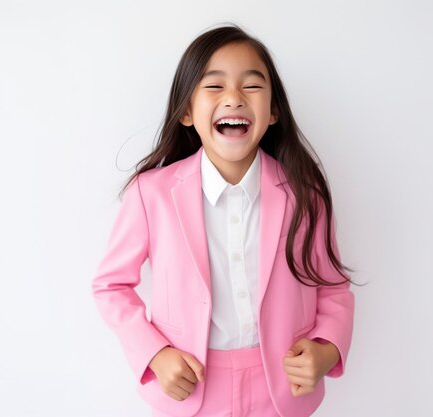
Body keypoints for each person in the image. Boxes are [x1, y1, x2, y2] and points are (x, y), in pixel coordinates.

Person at [91, 24, 355, 417]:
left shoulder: (305, 192)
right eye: (214, 86)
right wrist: (155, 354)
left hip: (282, 389)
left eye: (251, 86)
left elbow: (333, 288)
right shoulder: (152, 194)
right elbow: (111, 286)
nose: (233, 97)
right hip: (191, 387)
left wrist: (327, 347)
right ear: (186, 111)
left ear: (273, 112)